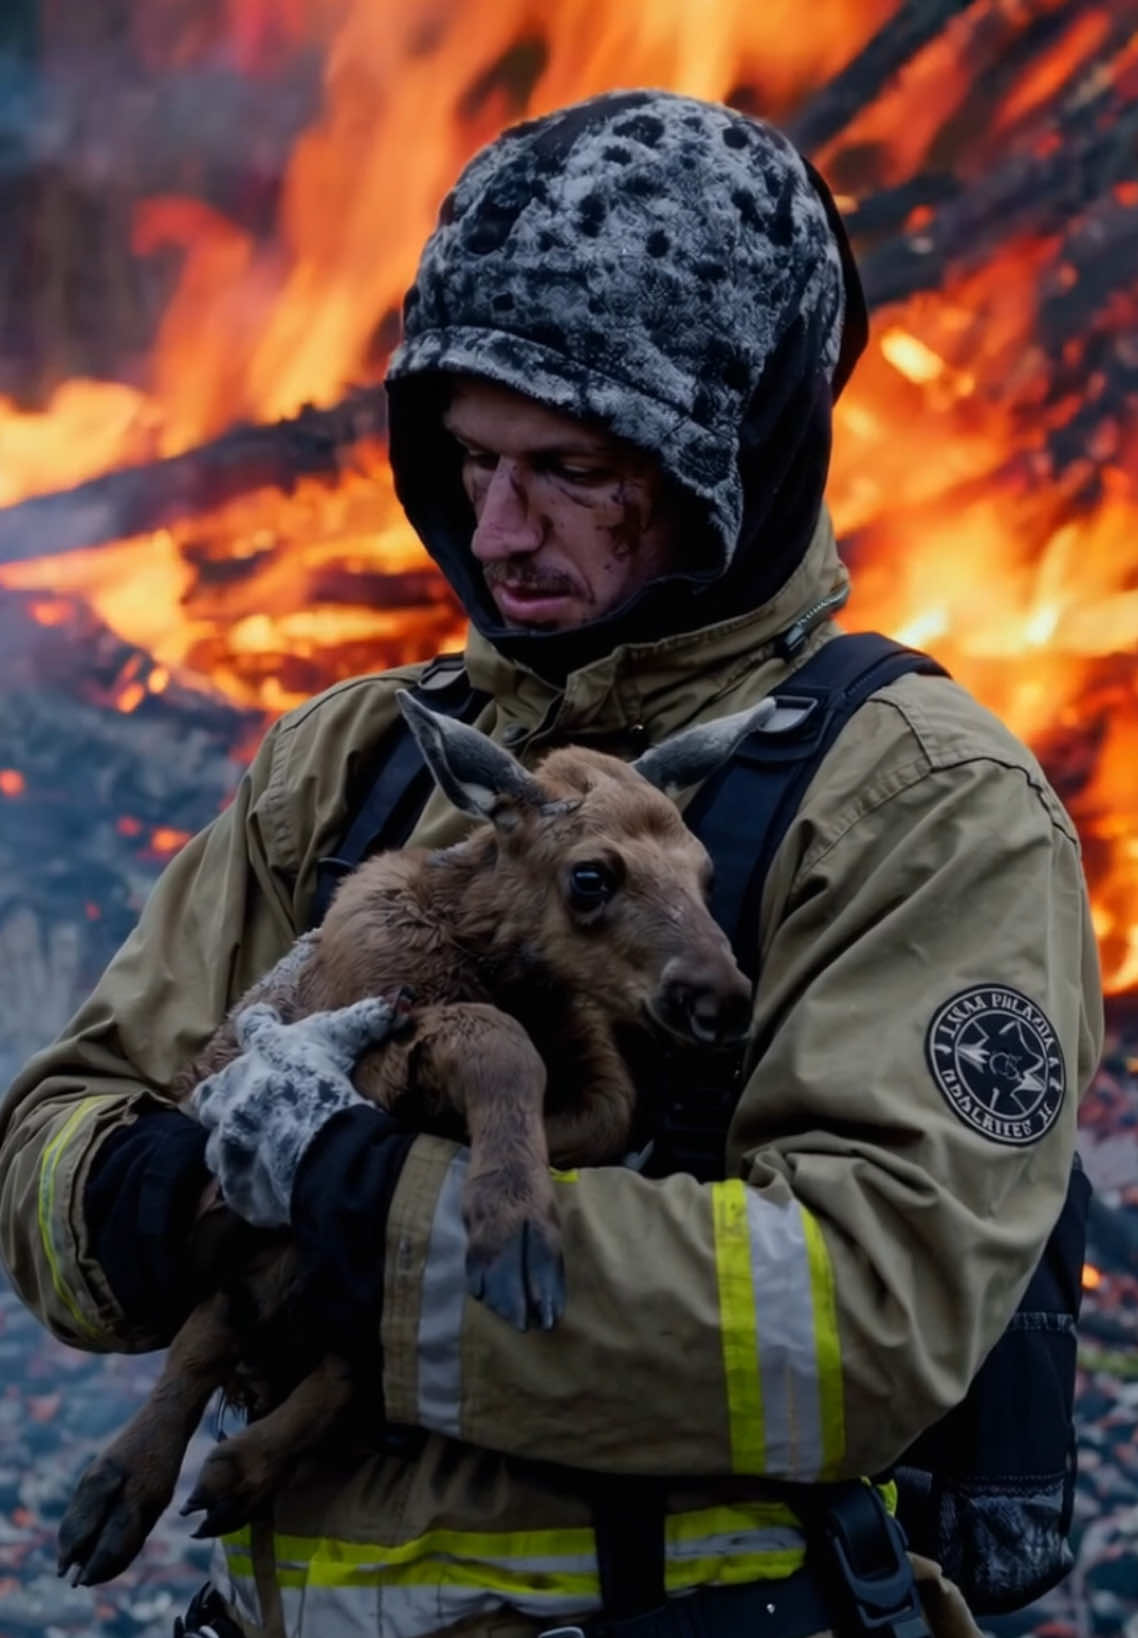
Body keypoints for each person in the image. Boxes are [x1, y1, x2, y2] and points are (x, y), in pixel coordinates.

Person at [0, 89, 1102, 1638]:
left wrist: (360, 1197)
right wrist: (155, 1190)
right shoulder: (357, 760)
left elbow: (865, 1317)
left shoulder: (919, 805)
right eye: (471, 462)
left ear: (739, 455)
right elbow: (60, 1121)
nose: (499, 529)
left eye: (573, 469)